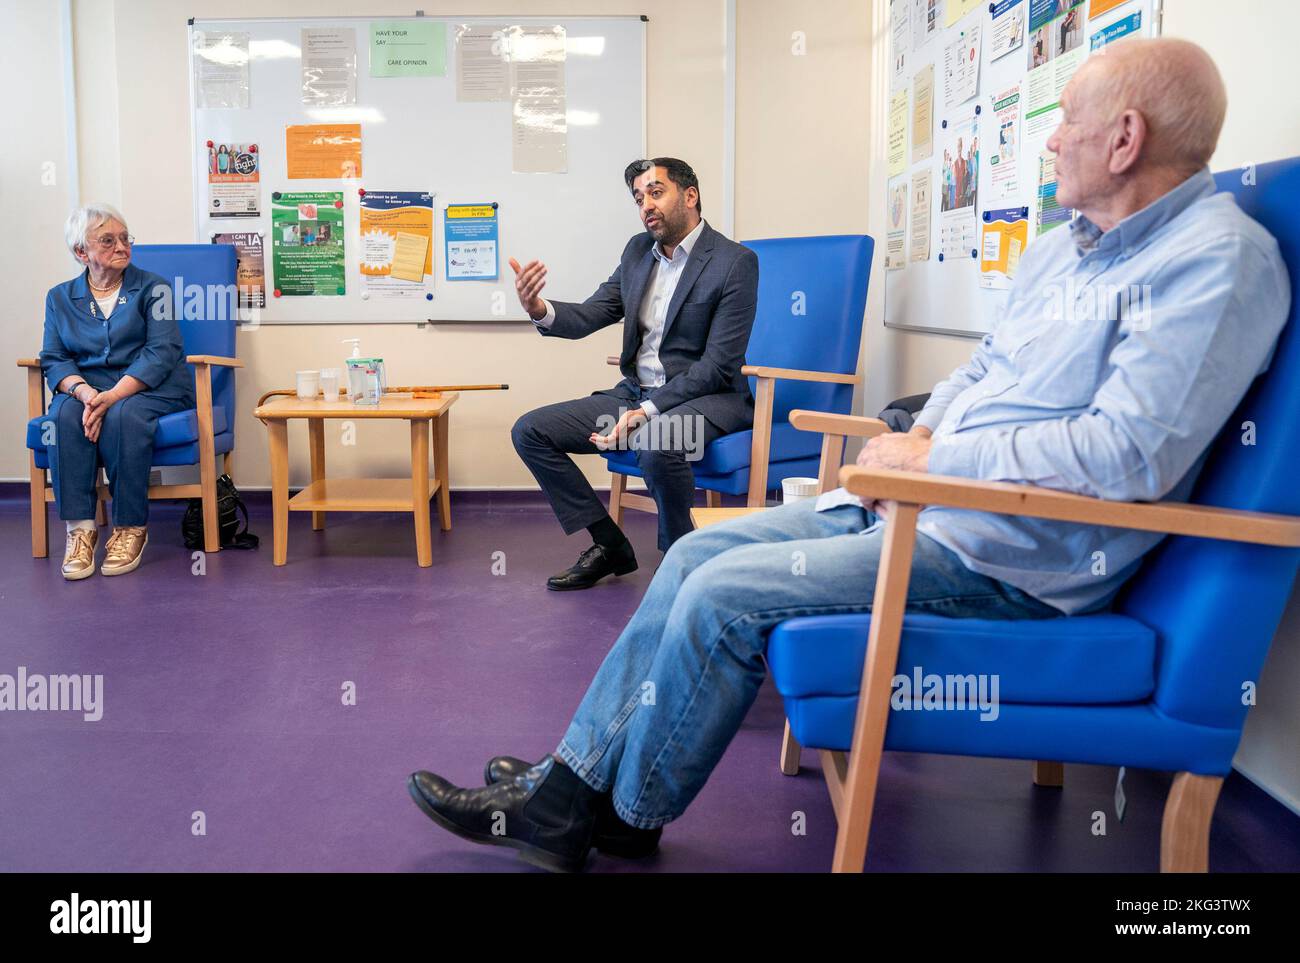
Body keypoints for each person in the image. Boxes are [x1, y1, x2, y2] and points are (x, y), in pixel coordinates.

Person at [408, 38, 1290, 872]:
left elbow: (1128, 456)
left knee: (717, 588)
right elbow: (981, 370)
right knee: (696, 553)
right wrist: (916, 437)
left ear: (1127, 139)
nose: (1051, 139)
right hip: (926, 503)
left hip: (1009, 552)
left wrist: (936, 464)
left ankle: (606, 809)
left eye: (1066, 120)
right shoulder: (1064, 253)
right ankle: (579, 781)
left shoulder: (1216, 260)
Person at [508, 158, 758, 591]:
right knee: (530, 430)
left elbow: (717, 366)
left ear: (690, 196)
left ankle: (679, 554)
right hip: (635, 394)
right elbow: (592, 313)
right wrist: (539, 310)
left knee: (656, 439)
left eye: (656, 192)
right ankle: (610, 545)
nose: (646, 205)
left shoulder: (734, 262)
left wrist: (646, 411)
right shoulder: (637, 252)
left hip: (710, 399)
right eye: (639, 197)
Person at [40, 204, 195, 579]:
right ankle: (80, 530)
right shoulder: (60, 297)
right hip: (88, 390)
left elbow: (162, 352)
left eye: (125, 238)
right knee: (62, 414)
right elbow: (54, 358)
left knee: (124, 414)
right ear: (82, 252)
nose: (122, 246)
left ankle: (129, 528)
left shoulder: (153, 288)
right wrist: (83, 393)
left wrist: (111, 397)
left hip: (153, 387)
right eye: (108, 240)